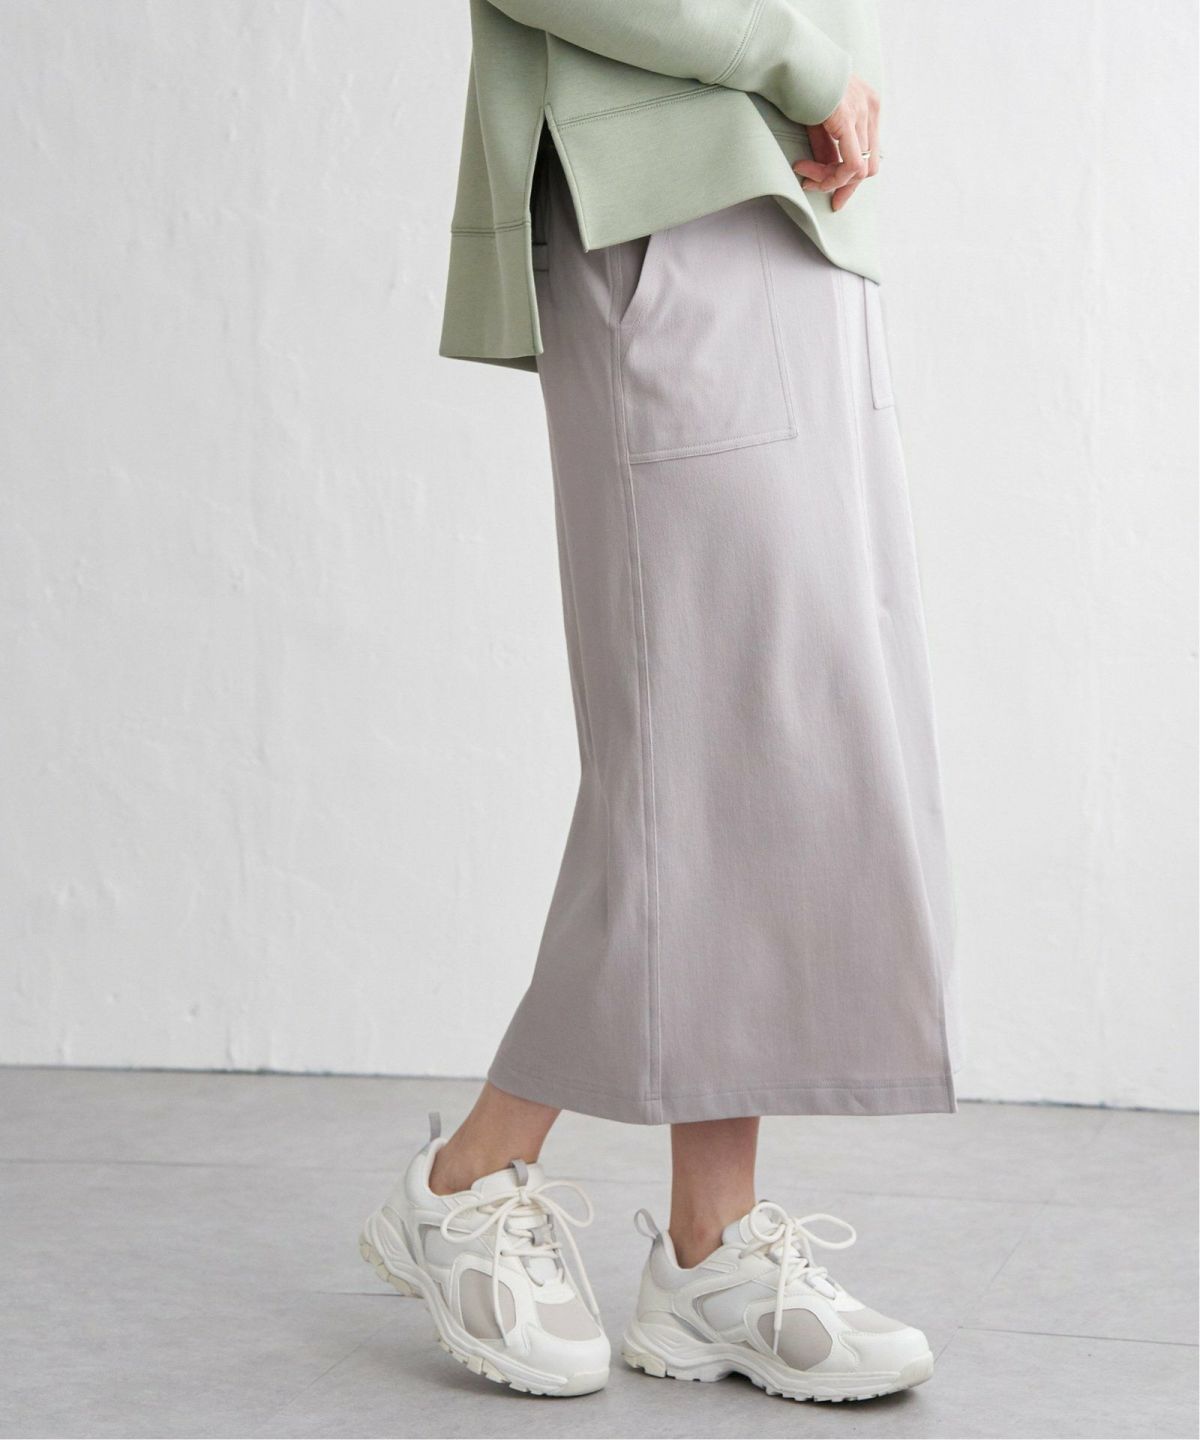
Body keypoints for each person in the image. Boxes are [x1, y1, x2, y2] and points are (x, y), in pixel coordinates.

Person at [361, 0, 960, 1405]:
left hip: (784, 200)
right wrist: (806, 63)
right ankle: (468, 1177)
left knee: (774, 732)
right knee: (698, 738)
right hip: (657, 196)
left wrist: (822, 84)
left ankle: (710, 1248)